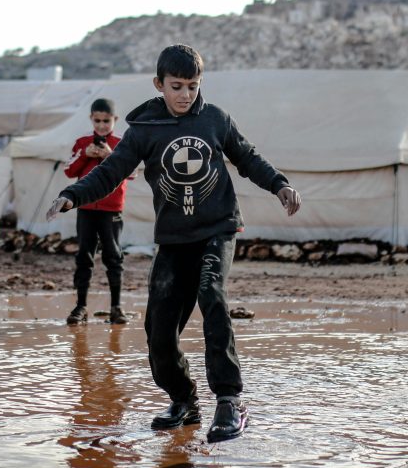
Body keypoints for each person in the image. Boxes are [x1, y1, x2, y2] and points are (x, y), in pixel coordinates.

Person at [46, 44, 301, 443]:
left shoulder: (215, 119)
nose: (185, 95)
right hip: (173, 241)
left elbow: (247, 157)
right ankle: (184, 399)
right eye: (177, 86)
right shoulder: (144, 130)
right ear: (159, 84)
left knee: (211, 295)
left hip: (217, 230)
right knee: (158, 330)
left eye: (193, 86)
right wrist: (73, 195)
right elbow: (112, 170)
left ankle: (230, 401)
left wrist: (279, 183)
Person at [63, 98, 130, 326]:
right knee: (84, 256)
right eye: (98, 121)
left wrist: (110, 156)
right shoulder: (82, 143)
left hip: (111, 210)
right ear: (91, 119)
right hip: (87, 209)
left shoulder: (122, 144)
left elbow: (131, 173)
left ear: (115, 120)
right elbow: (69, 171)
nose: (102, 126)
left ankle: (116, 307)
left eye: (106, 121)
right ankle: (81, 306)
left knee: (114, 257)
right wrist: (86, 155)